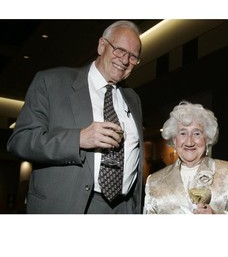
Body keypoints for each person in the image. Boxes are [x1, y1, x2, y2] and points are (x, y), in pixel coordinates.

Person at [7, 20, 144, 214]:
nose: (124, 60)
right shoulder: (51, 82)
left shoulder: (133, 98)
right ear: (101, 45)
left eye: (133, 56)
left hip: (123, 208)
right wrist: (78, 139)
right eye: (120, 50)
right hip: (70, 206)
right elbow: (19, 141)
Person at [143, 101, 228, 214]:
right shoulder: (154, 181)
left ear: (207, 138)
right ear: (174, 140)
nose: (189, 142)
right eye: (183, 133)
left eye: (197, 133)